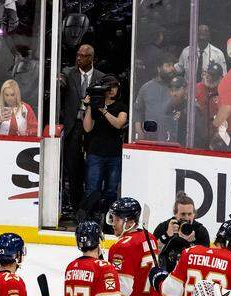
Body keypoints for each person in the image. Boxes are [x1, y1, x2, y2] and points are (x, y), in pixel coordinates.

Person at [58, 44, 102, 217]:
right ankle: (78, 211)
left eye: (83, 56)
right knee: (74, 171)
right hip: (73, 128)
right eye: (78, 55)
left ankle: (92, 209)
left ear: (91, 58)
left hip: (94, 130)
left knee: (93, 172)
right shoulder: (69, 74)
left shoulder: (100, 77)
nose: (79, 58)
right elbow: (61, 83)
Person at [78, 74, 127, 223]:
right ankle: (88, 217)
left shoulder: (121, 106)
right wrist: (88, 107)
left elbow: (119, 123)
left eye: (115, 87)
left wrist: (104, 110)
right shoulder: (94, 105)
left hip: (114, 154)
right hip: (96, 153)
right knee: (92, 188)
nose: (112, 90)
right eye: (109, 87)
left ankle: (109, 219)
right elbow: (87, 128)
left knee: (111, 190)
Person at [133, 55, 183, 143]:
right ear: (159, 68)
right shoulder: (146, 87)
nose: (172, 68)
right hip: (149, 138)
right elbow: (138, 110)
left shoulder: (178, 89)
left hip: (171, 139)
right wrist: (138, 129)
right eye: (168, 65)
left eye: (172, 65)